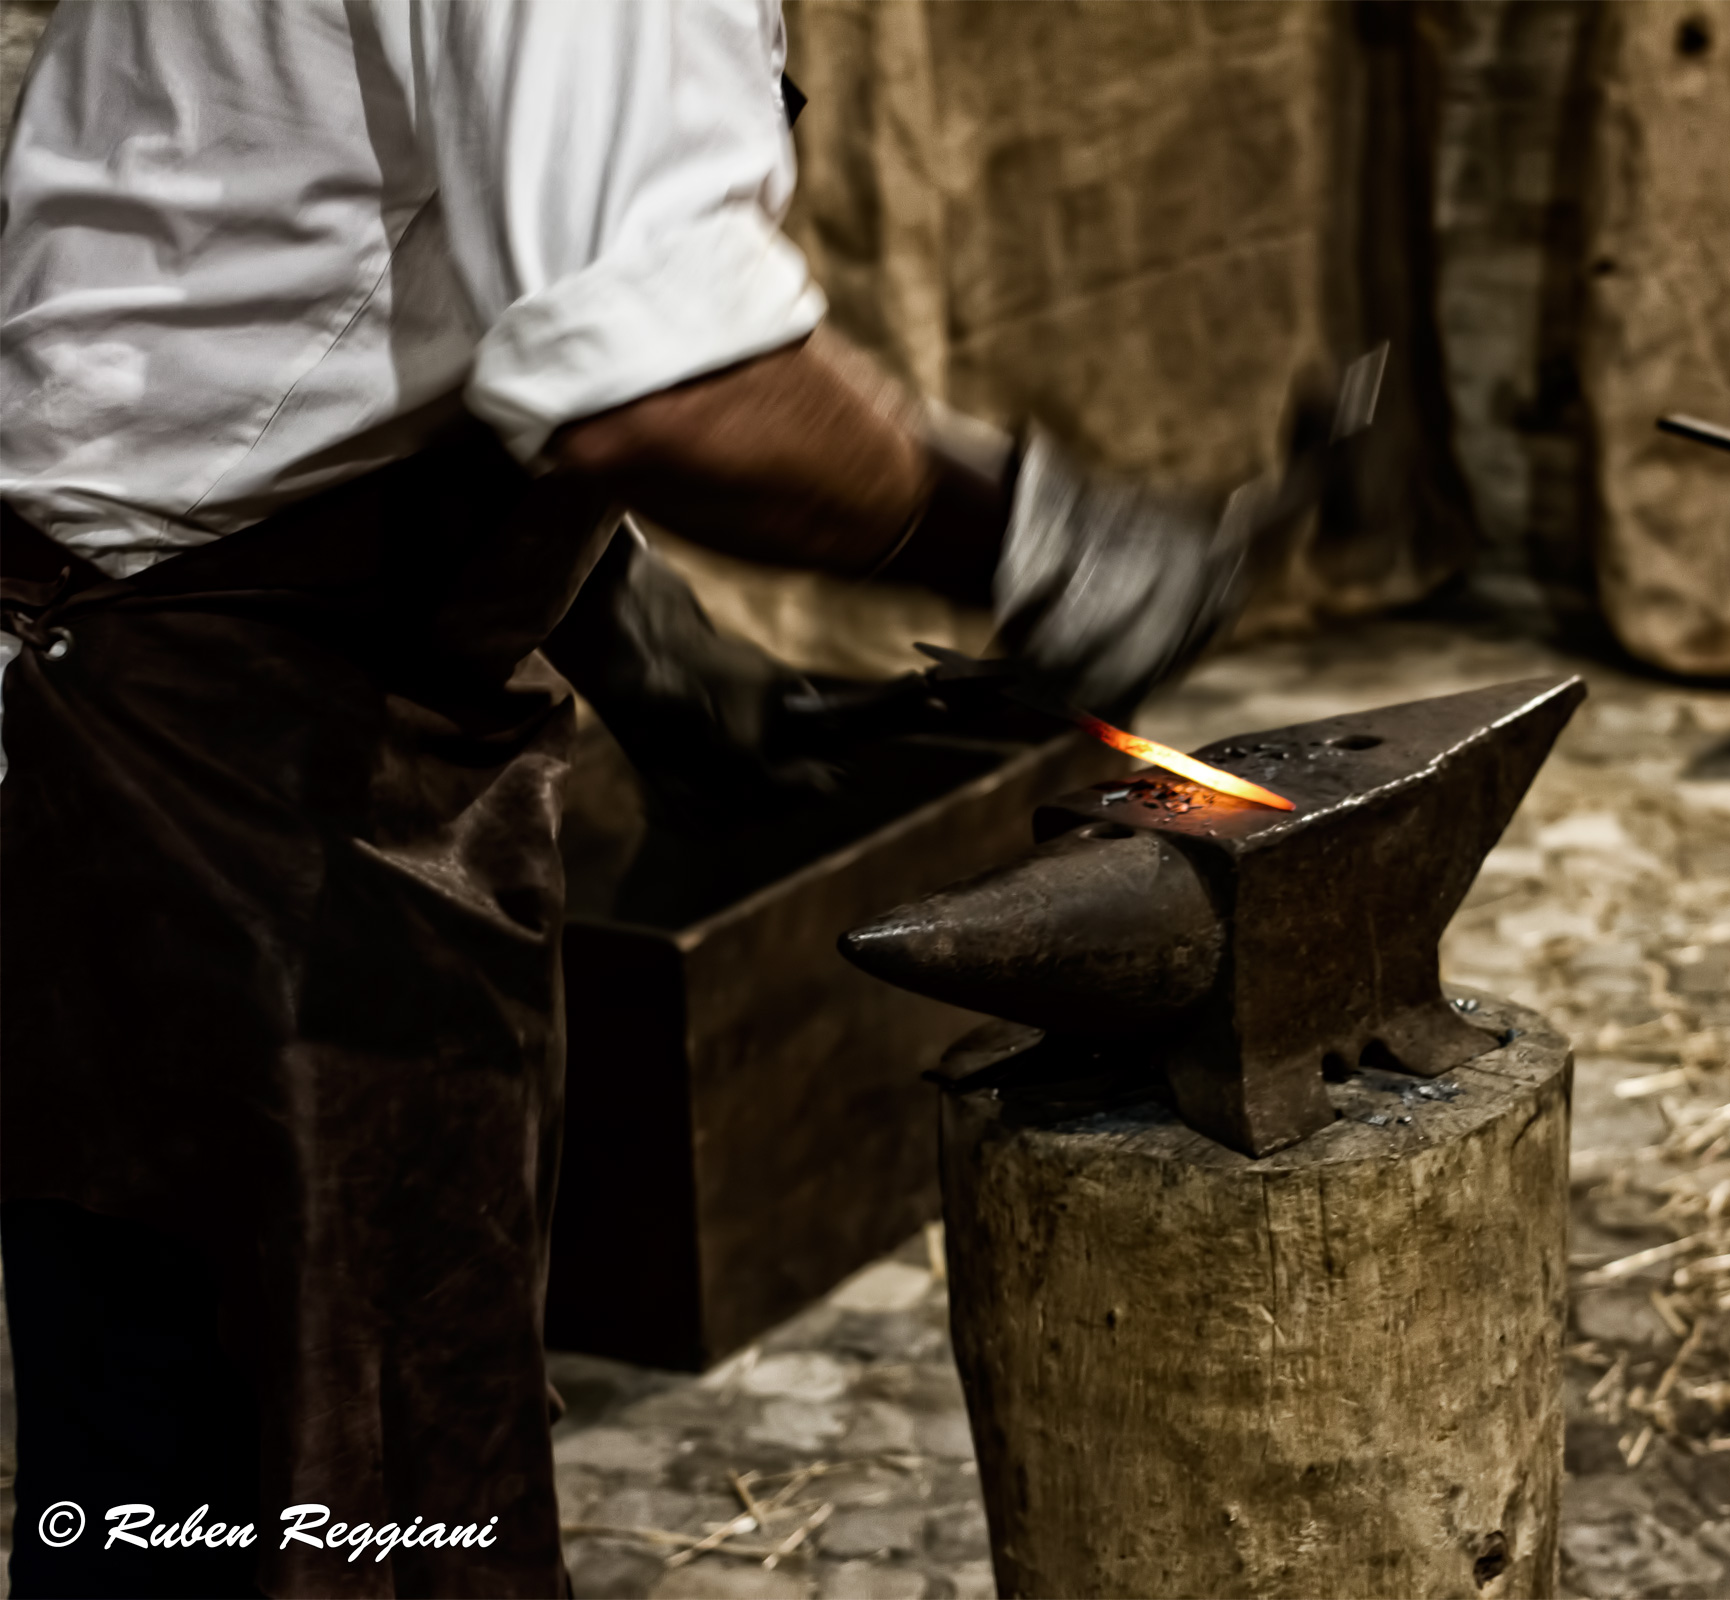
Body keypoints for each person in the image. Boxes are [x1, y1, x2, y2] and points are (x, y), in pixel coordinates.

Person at [0, 5, 1251, 1595]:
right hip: (210, 770)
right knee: (312, 1490)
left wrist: (627, 629)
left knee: (208, 1431)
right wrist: (1042, 537)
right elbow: (670, 392)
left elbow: (328, 248)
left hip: (181, 691)